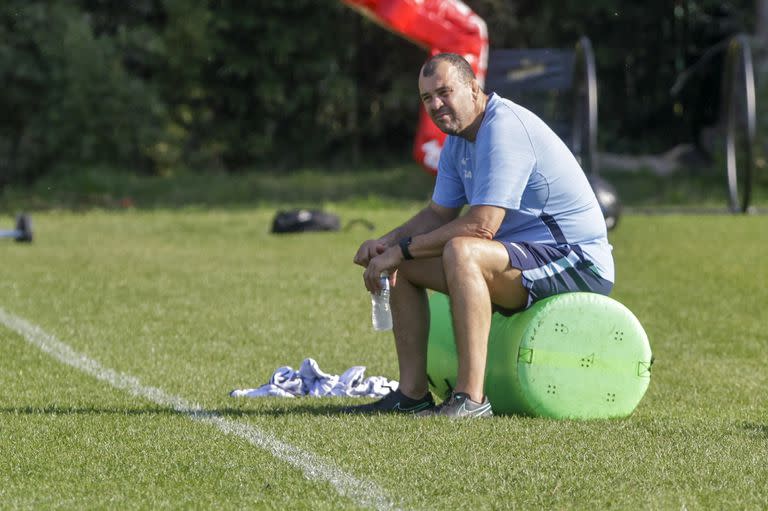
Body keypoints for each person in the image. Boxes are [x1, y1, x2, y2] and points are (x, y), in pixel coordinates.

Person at [345, 53, 614, 418]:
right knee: (407, 268)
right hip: (523, 256)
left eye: (444, 92)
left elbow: (481, 226)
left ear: (473, 89)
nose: (436, 105)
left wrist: (404, 249)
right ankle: (412, 395)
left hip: (576, 260)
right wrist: (388, 244)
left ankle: (470, 399)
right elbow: (437, 213)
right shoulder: (458, 137)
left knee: (463, 250)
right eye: (427, 98)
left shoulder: (503, 128)